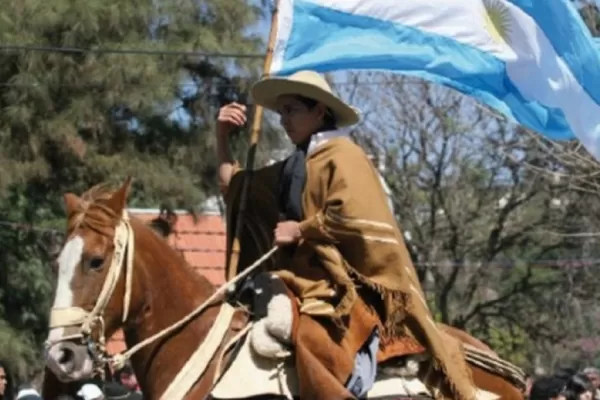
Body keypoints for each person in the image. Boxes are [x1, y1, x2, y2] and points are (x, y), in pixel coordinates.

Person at [216, 70, 476, 399]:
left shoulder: (344, 155)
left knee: (313, 339)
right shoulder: (294, 166)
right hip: (297, 283)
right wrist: (222, 136)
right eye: (281, 112)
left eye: (292, 110)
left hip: (345, 290)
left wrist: (300, 229)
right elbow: (236, 188)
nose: (283, 120)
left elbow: (354, 216)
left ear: (319, 111)